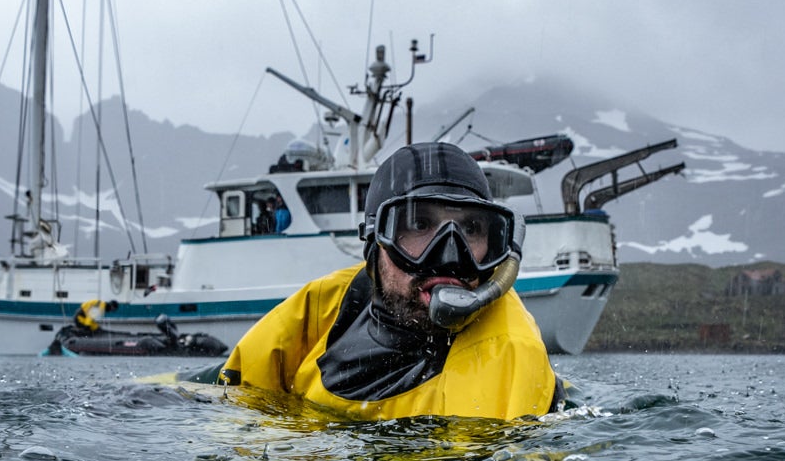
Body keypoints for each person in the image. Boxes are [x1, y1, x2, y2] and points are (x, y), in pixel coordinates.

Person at [218, 142, 560, 419]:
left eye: (471, 229)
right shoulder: (335, 305)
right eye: (419, 224)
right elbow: (234, 394)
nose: (450, 257)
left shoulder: (504, 358)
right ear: (375, 240)